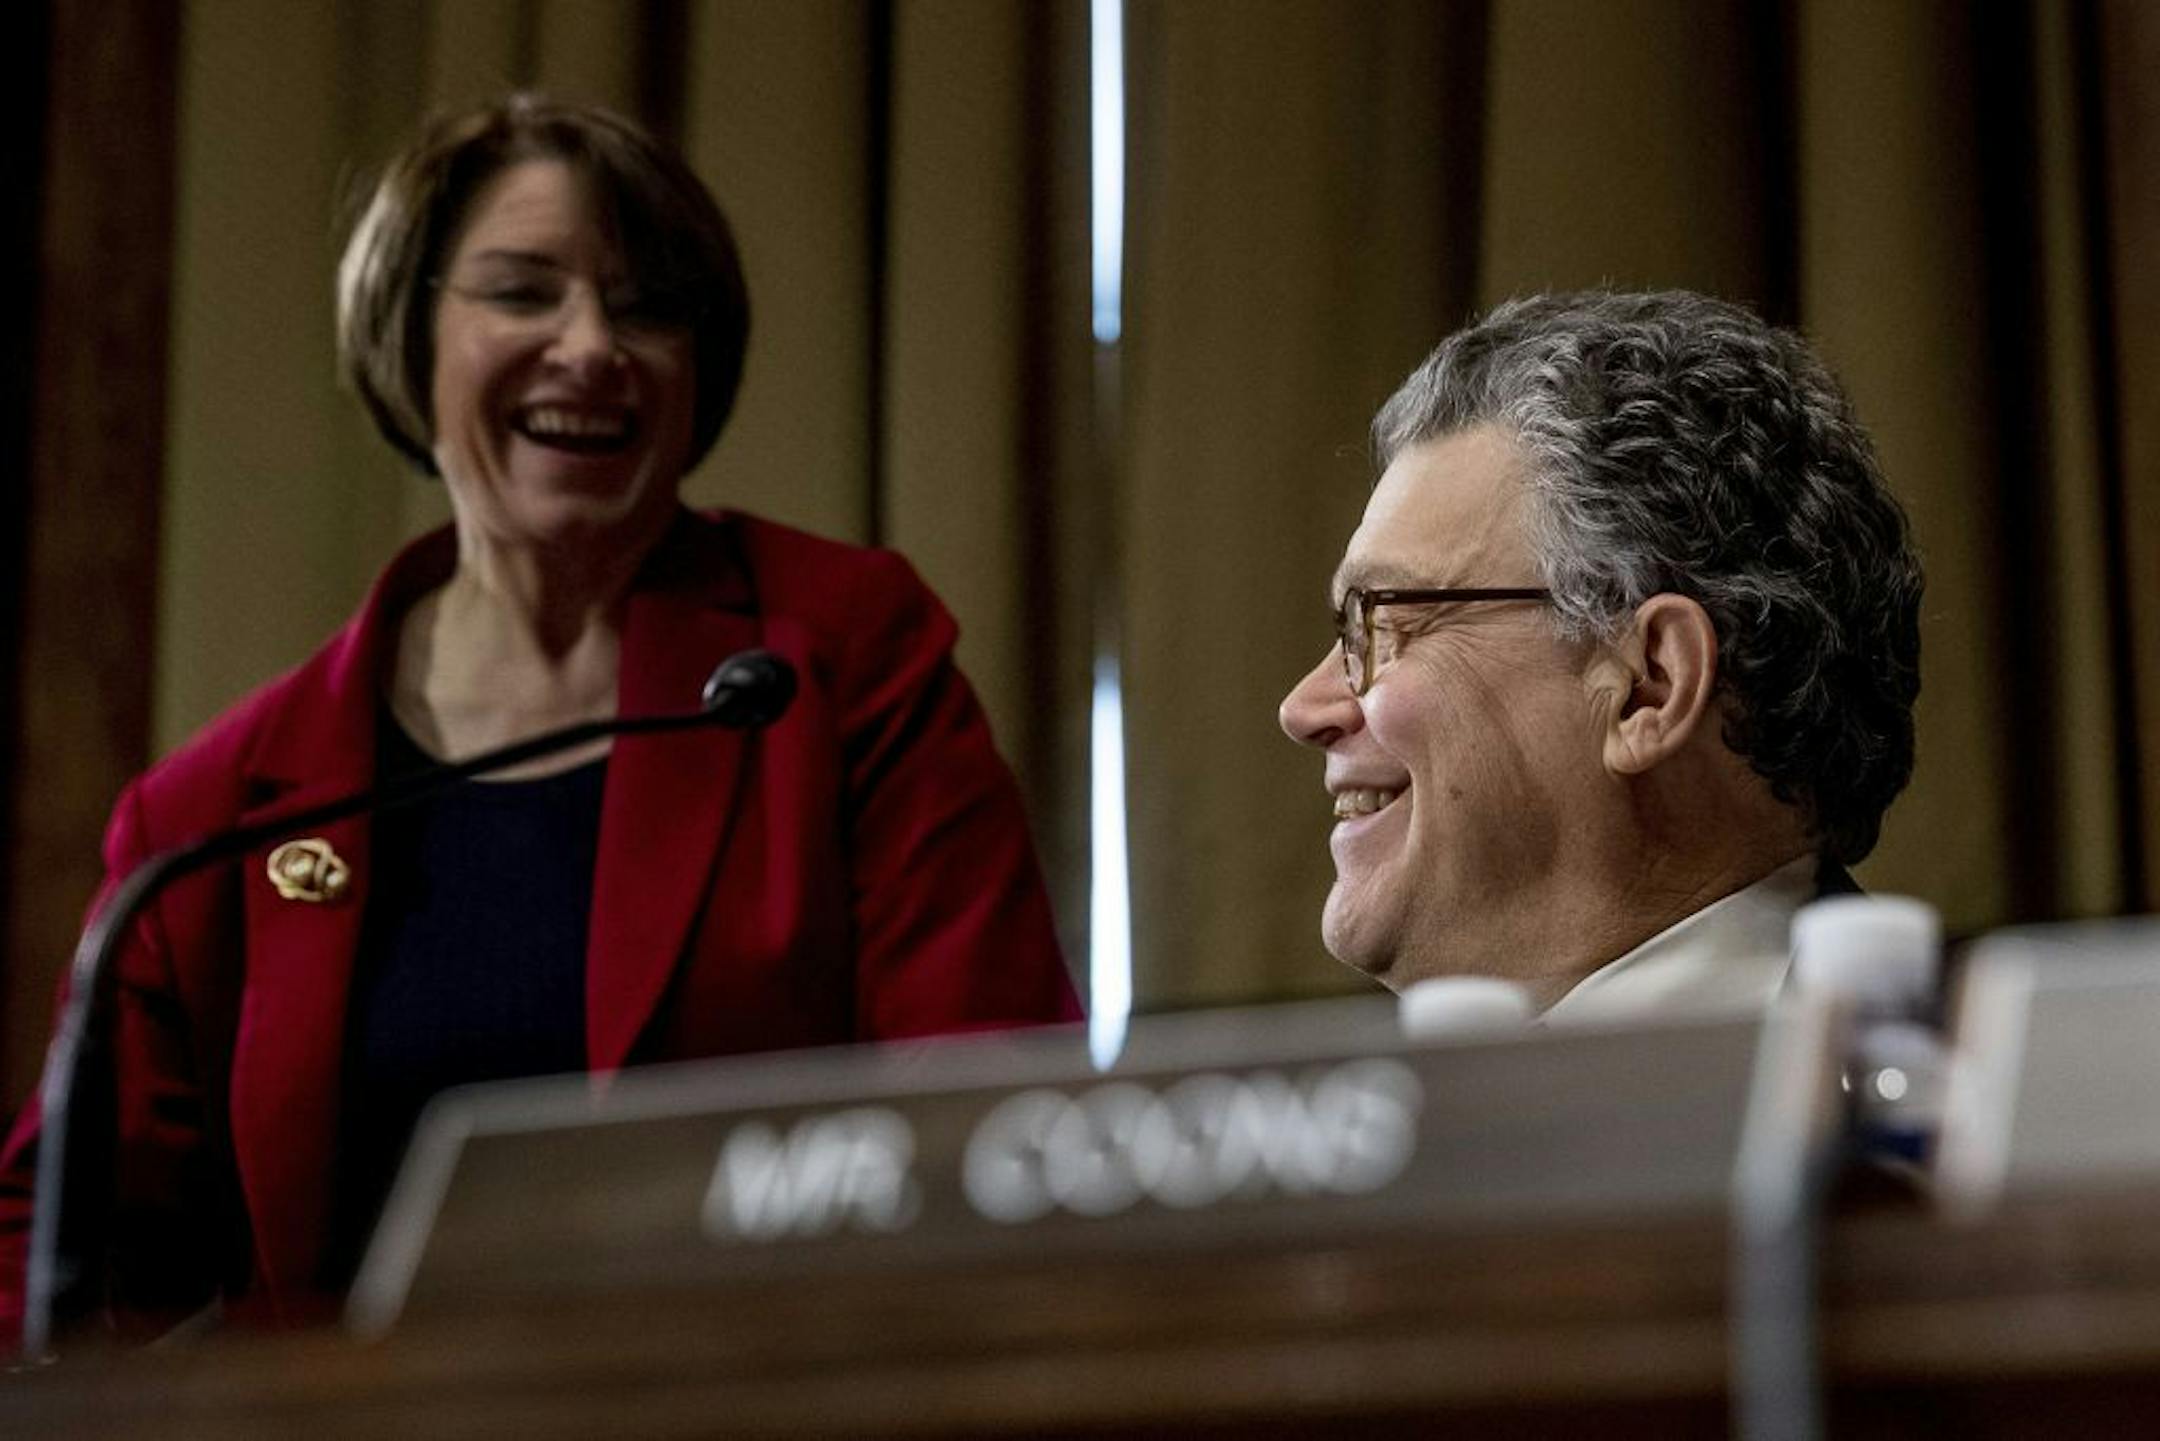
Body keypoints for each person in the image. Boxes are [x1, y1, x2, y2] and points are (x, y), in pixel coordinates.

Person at [0, 95, 1078, 1339]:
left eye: (646, 307)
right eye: (522, 292)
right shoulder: (211, 812)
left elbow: (989, 1113)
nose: (592, 345)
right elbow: (54, 1254)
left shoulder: (838, 659)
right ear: (412, 334)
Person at [1279, 290, 1922, 1019]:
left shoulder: (1948, 1116)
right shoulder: (1443, 1122)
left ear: (1650, 684)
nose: (1304, 708)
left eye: (1384, 622)